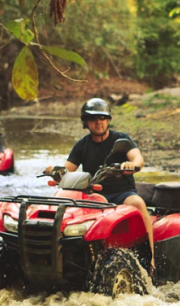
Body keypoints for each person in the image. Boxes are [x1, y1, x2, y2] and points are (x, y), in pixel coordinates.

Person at [45, 98, 155, 271]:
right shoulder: (82, 145)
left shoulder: (121, 140)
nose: (98, 122)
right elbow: (67, 171)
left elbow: (138, 158)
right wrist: (55, 172)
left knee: (138, 203)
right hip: (94, 194)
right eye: (93, 118)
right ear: (86, 122)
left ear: (108, 120)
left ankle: (151, 261)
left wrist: (131, 165)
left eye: (102, 118)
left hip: (122, 193)